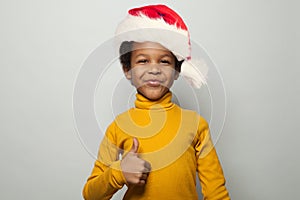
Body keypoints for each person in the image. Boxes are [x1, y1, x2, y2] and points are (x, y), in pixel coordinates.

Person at [83, 4, 230, 200]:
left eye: (164, 61)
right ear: (127, 70)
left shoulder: (196, 125)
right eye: (143, 61)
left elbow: (216, 192)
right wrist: (119, 172)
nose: (154, 69)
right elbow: (91, 195)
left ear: (177, 71)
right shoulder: (117, 128)